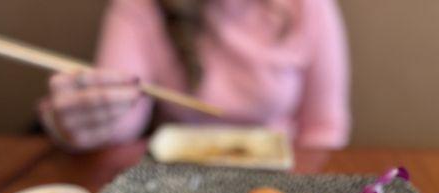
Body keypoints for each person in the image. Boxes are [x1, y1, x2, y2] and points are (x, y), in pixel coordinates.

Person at [40, 0, 350, 151]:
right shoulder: (141, 6)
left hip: (280, 168)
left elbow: (324, 127)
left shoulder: (307, 6)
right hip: (179, 172)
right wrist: (87, 115)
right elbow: (125, 117)